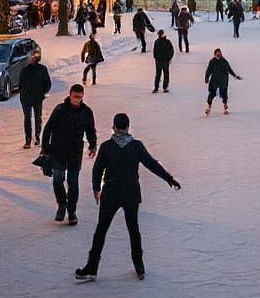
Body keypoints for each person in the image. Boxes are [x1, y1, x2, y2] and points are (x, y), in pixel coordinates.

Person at [75, 112, 181, 281]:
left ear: (114, 127)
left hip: (111, 193)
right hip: (130, 192)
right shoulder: (136, 146)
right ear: (128, 127)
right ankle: (139, 265)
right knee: (133, 228)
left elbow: (97, 170)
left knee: (101, 230)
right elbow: (151, 164)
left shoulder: (107, 147)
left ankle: (92, 267)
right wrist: (169, 178)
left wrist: (96, 188)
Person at [41, 84, 98, 225]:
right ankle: (62, 204)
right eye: (74, 97)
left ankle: (72, 212)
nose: (76, 100)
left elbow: (91, 130)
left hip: (75, 152)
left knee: (73, 182)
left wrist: (93, 145)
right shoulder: (60, 110)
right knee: (57, 180)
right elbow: (48, 128)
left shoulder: (86, 112)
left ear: (82, 96)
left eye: (79, 97)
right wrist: (45, 147)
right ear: (70, 95)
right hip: (58, 150)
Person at [18, 48, 52, 148]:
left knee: (34, 118)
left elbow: (20, 84)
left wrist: (43, 92)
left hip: (33, 98)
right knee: (32, 118)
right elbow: (47, 83)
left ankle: (34, 138)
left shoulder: (27, 70)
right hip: (30, 98)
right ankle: (31, 138)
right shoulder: (36, 69)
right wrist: (43, 92)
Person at [204, 48, 242, 115]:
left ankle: (226, 108)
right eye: (217, 53)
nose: (219, 54)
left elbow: (229, 70)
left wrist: (235, 76)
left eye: (220, 53)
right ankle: (208, 108)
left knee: (224, 95)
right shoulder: (212, 62)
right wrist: (206, 78)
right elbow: (208, 71)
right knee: (211, 94)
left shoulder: (224, 61)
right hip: (214, 81)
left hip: (223, 81)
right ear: (214, 54)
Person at [153, 29, 174, 94]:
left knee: (158, 74)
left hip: (159, 61)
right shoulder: (167, 41)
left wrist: (156, 58)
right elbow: (171, 50)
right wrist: (169, 58)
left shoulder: (156, 41)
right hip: (165, 61)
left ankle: (156, 88)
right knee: (165, 74)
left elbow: (154, 51)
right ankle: (165, 87)